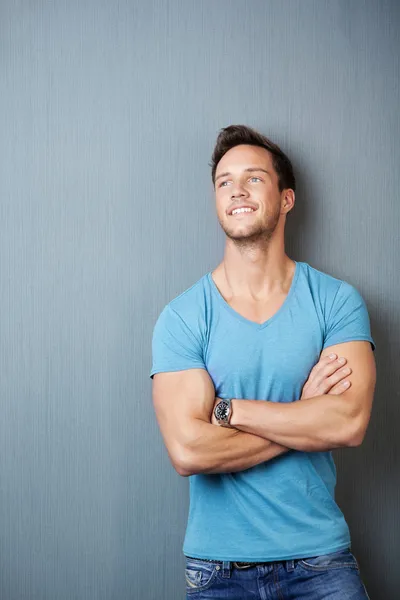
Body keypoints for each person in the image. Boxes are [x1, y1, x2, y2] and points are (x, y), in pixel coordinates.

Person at [150, 124, 376, 599]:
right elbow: (189, 451)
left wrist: (230, 411)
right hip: (217, 570)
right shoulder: (183, 316)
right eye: (224, 181)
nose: (236, 190)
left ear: (286, 198)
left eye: (253, 178)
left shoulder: (336, 302)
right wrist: (303, 414)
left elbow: (349, 423)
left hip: (321, 560)